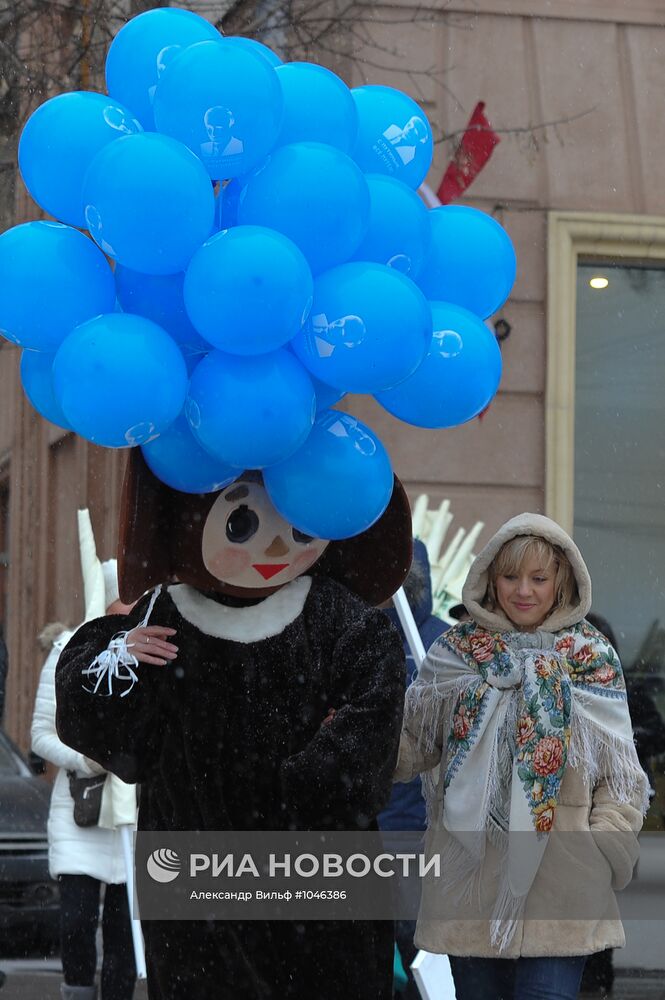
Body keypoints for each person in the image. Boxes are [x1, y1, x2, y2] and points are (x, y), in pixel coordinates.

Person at [54, 453, 410, 1000]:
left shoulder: (341, 619)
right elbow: (110, 734)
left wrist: (306, 787)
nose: (272, 548)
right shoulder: (164, 614)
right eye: (240, 524)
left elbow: (372, 724)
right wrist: (116, 654)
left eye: (296, 526)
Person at [396, 512, 649, 1000]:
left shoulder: (591, 657)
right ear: (491, 578)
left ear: (561, 580)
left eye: (539, 577)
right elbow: (412, 746)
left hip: (563, 888)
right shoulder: (454, 652)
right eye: (511, 576)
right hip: (468, 887)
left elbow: (621, 778)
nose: (523, 591)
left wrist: (601, 851)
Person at [32, 511, 137, 1000]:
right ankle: (75, 991)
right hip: (80, 814)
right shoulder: (68, 651)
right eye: (122, 599)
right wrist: (86, 759)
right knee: (76, 924)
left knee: (123, 938)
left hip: (132, 819)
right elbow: (41, 734)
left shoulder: (156, 652)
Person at [378, 539, 448, 998]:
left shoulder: (443, 645)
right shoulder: (359, 638)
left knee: (416, 944)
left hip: (418, 829)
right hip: (366, 823)